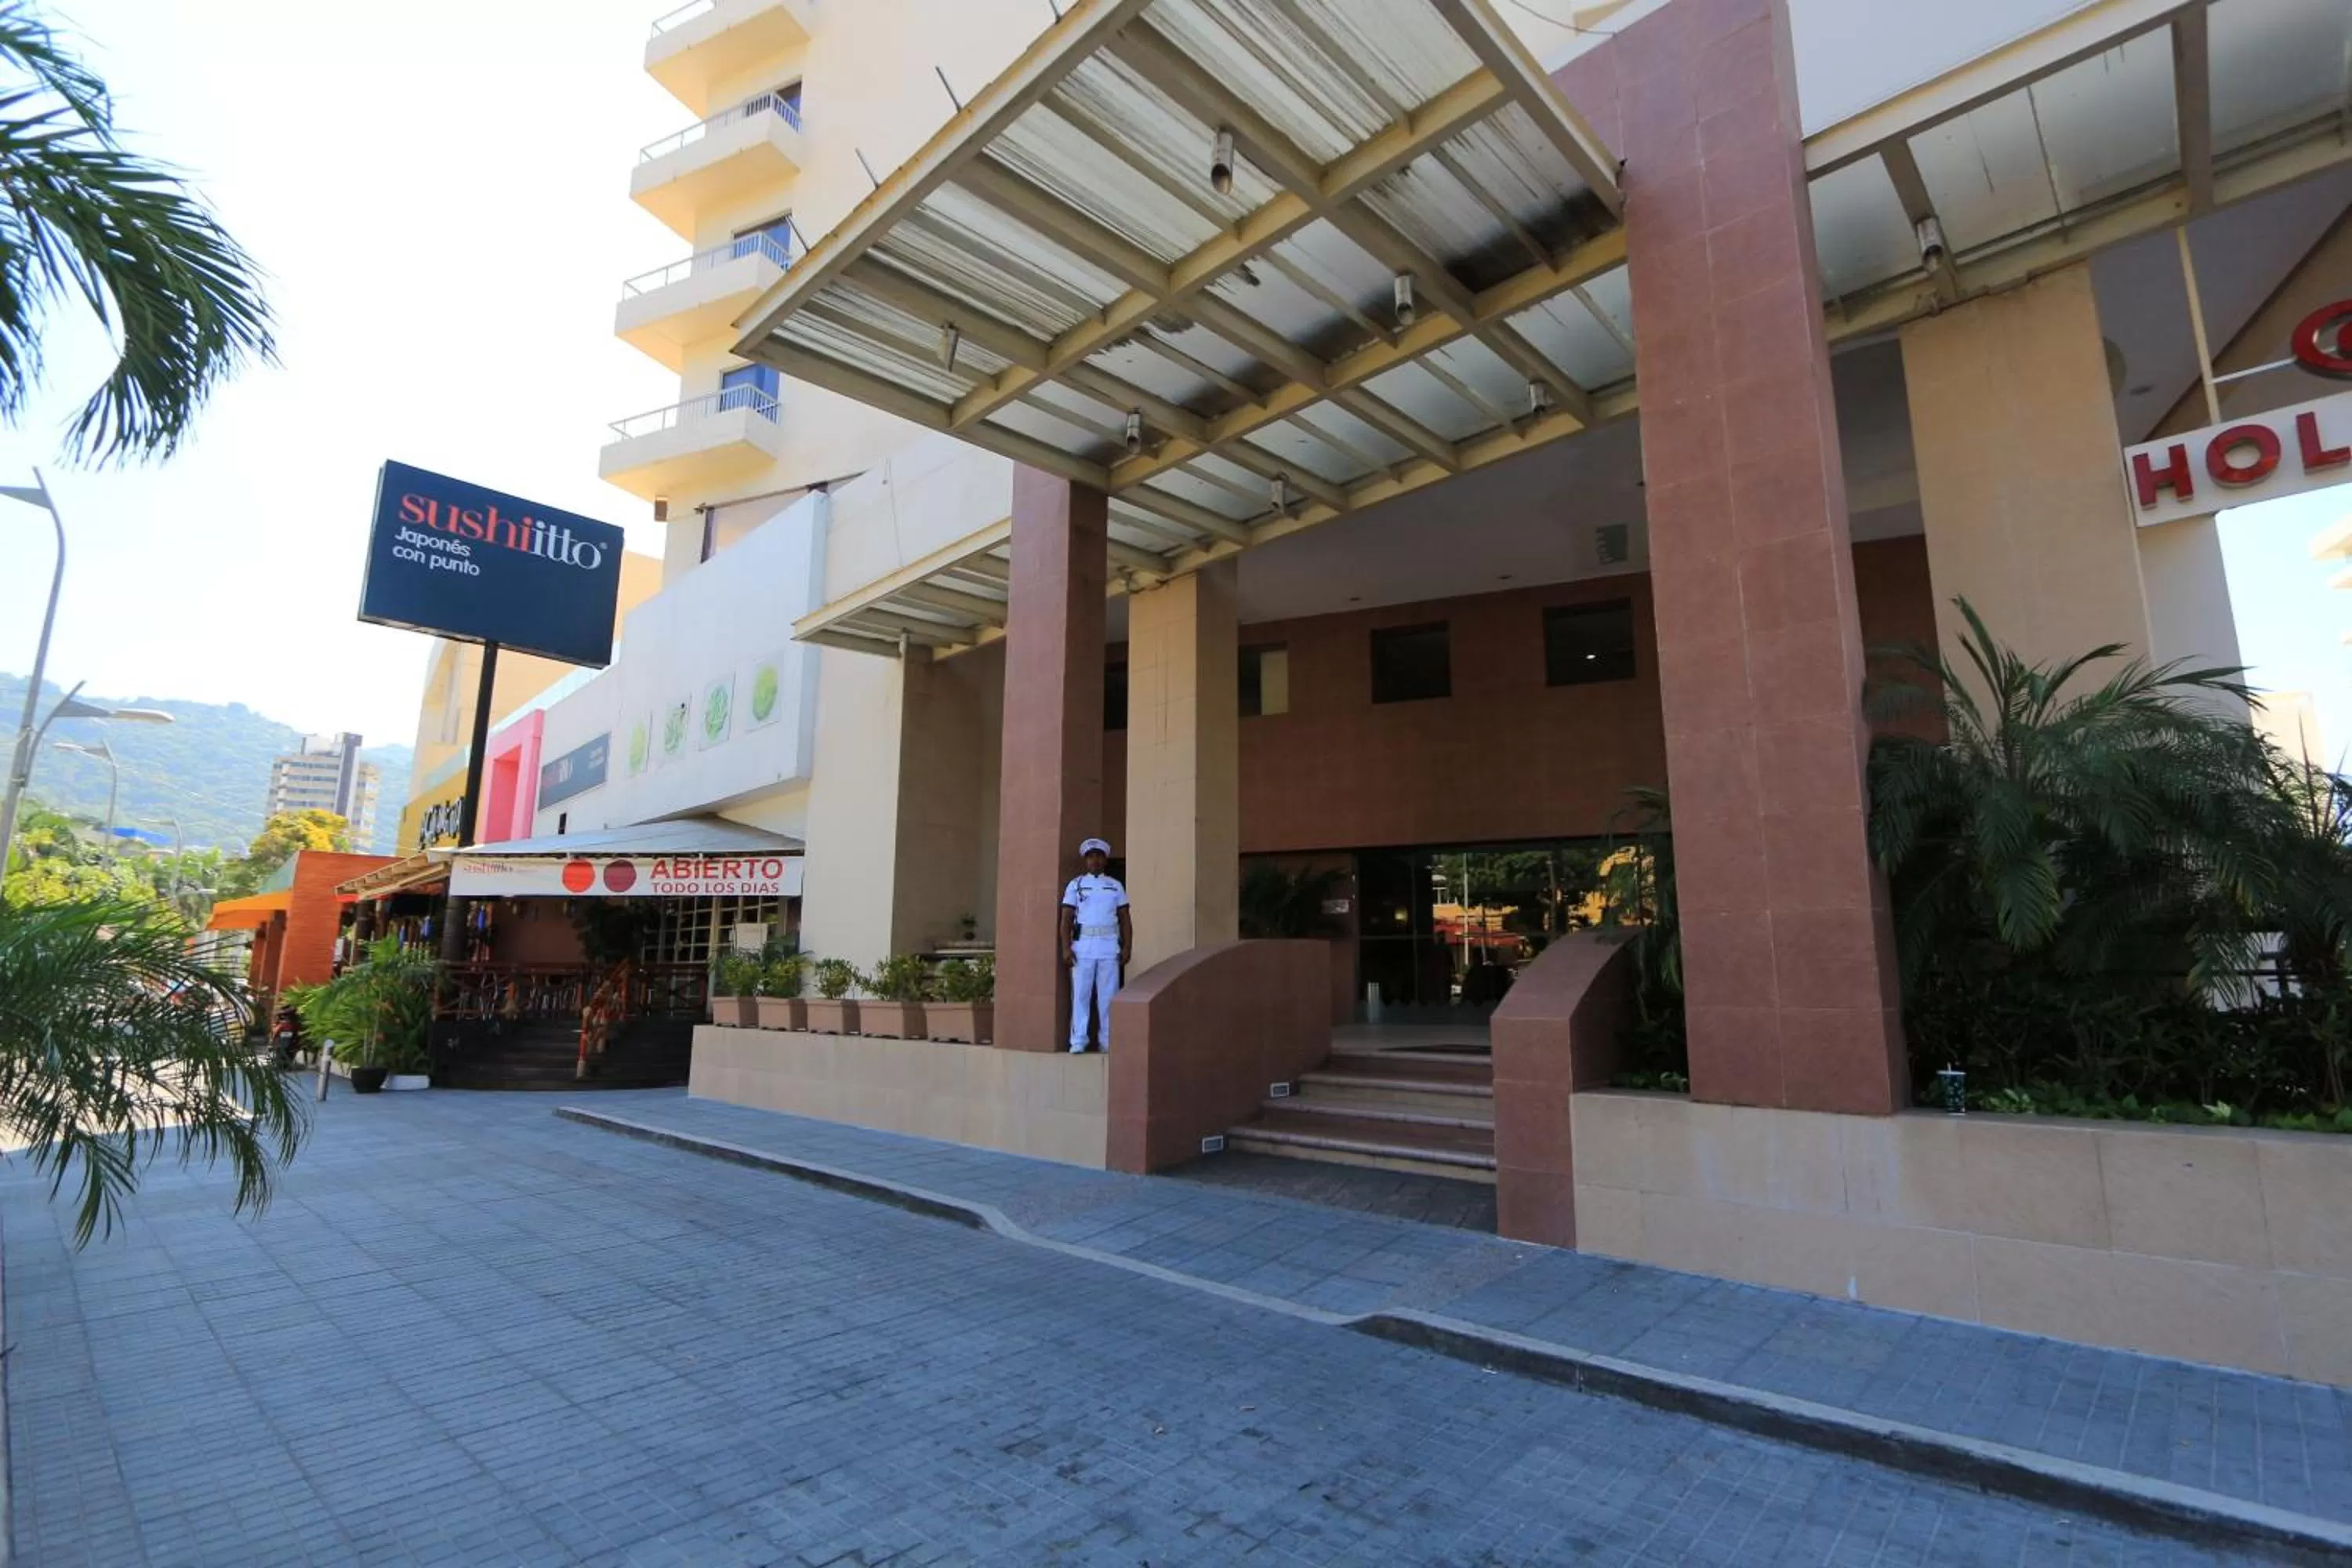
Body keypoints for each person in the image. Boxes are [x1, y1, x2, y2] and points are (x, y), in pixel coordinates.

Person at [1058, 837, 1130, 1053]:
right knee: (1081, 995)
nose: (1095, 860)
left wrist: (1127, 947)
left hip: (1108, 946)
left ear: (1105, 860)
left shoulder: (1115, 886)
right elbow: (1066, 919)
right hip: (1084, 946)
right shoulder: (1076, 884)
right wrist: (1065, 947)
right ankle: (1079, 1039)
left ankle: (1107, 1041)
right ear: (1086, 860)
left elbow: (1125, 918)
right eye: (1091, 857)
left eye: (1099, 856)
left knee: (1108, 996)